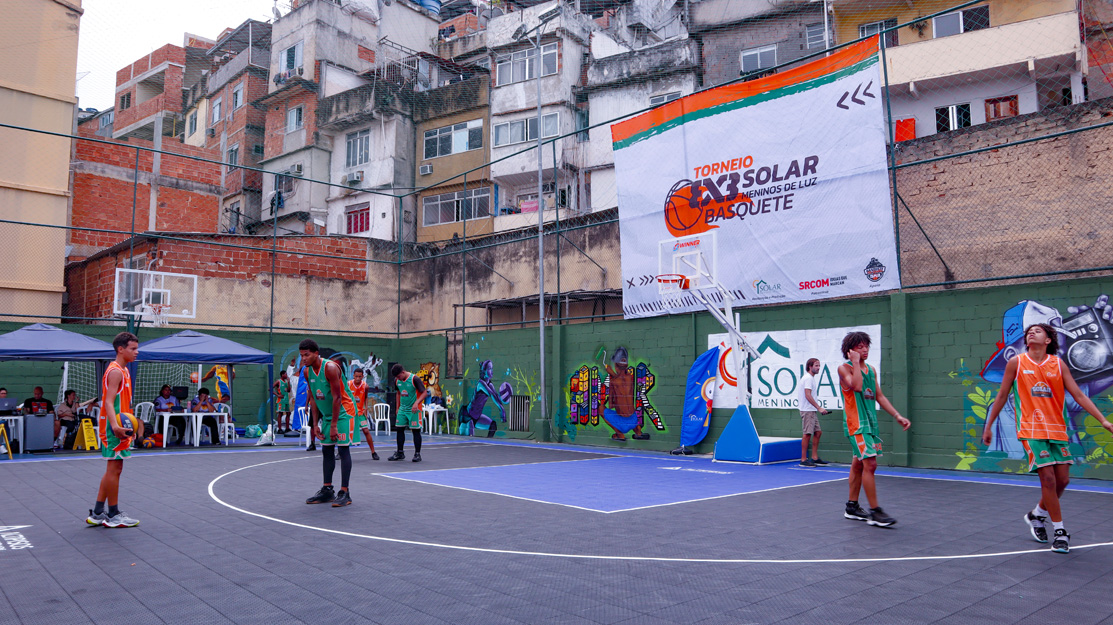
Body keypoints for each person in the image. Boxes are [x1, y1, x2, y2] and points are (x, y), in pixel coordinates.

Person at [982, 323, 1113, 554]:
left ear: (1048, 340)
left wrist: (1103, 420)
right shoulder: (1017, 363)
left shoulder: (1058, 364)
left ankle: (1037, 515)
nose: (1031, 333)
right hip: (1031, 430)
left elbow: (1079, 394)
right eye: (1029, 332)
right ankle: (1060, 533)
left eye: (1037, 331)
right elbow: (1002, 395)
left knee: (1063, 481)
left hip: (1057, 430)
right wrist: (989, 425)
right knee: (1049, 481)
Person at [838, 331, 911, 528]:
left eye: (866, 346)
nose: (865, 350)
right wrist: (855, 362)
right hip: (856, 425)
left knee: (858, 465)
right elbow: (857, 386)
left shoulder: (871, 370)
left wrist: (897, 415)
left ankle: (852, 507)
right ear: (850, 351)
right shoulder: (844, 368)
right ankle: (875, 512)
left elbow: (879, 396)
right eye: (860, 347)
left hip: (870, 424)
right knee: (870, 464)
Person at [86, 332, 142, 528]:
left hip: (118, 424)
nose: (136, 352)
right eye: (132, 348)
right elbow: (108, 402)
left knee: (113, 469)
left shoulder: (124, 370)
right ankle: (113, 514)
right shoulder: (116, 371)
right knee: (115, 469)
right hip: (113, 426)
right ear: (120, 349)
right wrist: (116, 426)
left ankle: (98, 512)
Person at [302, 339, 360, 507]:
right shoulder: (307, 371)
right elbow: (313, 398)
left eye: (307, 355)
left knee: (342, 450)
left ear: (316, 353)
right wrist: (315, 424)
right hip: (328, 415)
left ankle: (345, 492)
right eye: (301, 355)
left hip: (344, 413)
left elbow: (337, 398)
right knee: (326, 450)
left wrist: (334, 425)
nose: (304, 358)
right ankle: (327, 490)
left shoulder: (330, 368)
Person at [601, 347, 649, 441]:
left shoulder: (614, 381)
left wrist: (611, 374)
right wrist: (613, 375)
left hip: (622, 422)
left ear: (615, 366)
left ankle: (620, 435)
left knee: (601, 408)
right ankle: (638, 432)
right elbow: (621, 381)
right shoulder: (630, 377)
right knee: (630, 410)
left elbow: (611, 405)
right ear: (626, 365)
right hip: (634, 421)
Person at [388, 364, 427, 462]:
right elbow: (398, 393)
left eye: (399, 376)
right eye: (396, 377)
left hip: (414, 409)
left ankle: (417, 454)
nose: (398, 378)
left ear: (403, 372)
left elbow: (424, 393)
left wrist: (416, 403)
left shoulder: (414, 379)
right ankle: (400, 452)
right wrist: (397, 407)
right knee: (399, 429)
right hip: (403, 408)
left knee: (415, 430)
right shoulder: (397, 380)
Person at [798, 358, 831, 467]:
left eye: (819, 366)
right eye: (816, 366)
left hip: (811, 410)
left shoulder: (810, 378)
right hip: (807, 410)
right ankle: (803, 460)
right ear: (810, 367)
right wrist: (819, 408)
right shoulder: (808, 378)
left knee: (818, 432)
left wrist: (817, 408)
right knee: (807, 434)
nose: (818, 368)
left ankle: (814, 458)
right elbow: (807, 395)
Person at [346, 367, 379, 460]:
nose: (358, 378)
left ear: (362, 376)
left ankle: (373, 452)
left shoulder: (365, 386)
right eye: (356, 376)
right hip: (350, 412)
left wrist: (366, 408)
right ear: (353, 376)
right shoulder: (348, 384)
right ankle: (341, 453)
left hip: (360, 413)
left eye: (359, 376)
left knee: (366, 431)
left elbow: (366, 397)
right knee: (346, 432)